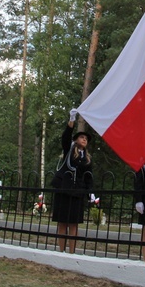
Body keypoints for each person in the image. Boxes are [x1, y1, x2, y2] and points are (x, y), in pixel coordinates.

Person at [50, 108, 93, 253]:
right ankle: (61, 251)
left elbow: (88, 176)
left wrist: (90, 192)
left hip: (77, 192)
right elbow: (65, 137)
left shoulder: (87, 158)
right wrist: (71, 120)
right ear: (76, 140)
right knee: (62, 223)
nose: (84, 140)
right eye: (82, 137)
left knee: (74, 224)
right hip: (64, 189)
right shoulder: (69, 149)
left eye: (86, 139)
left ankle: (71, 252)